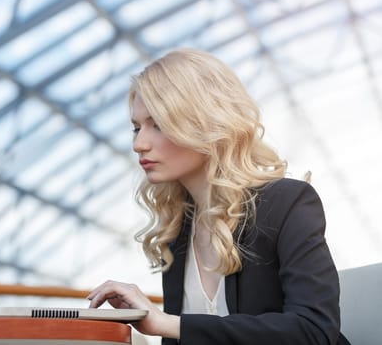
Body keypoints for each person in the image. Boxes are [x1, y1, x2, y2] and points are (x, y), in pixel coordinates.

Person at [87, 48, 350, 345]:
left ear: (206, 123)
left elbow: (313, 331)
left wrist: (167, 324)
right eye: (136, 128)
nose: (139, 144)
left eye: (158, 125)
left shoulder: (287, 203)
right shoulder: (177, 230)